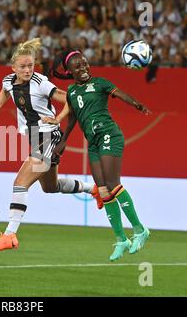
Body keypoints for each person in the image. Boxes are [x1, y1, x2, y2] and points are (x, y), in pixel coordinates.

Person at [0, 38, 102, 253]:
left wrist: (58, 119)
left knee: (20, 183)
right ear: (13, 68)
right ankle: (92, 188)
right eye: (23, 66)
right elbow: (5, 91)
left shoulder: (41, 83)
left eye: (30, 65)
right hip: (35, 137)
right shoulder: (9, 80)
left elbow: (69, 99)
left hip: (47, 136)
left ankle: (10, 234)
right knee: (50, 187)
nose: (28, 70)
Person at [45, 49, 151, 261]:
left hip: (109, 134)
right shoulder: (72, 91)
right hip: (92, 142)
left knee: (113, 184)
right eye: (78, 66)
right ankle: (121, 239)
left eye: (85, 64)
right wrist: (63, 141)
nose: (83, 68)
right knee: (102, 190)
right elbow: (73, 118)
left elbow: (120, 93)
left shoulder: (101, 82)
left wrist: (136, 104)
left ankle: (140, 230)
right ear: (70, 71)